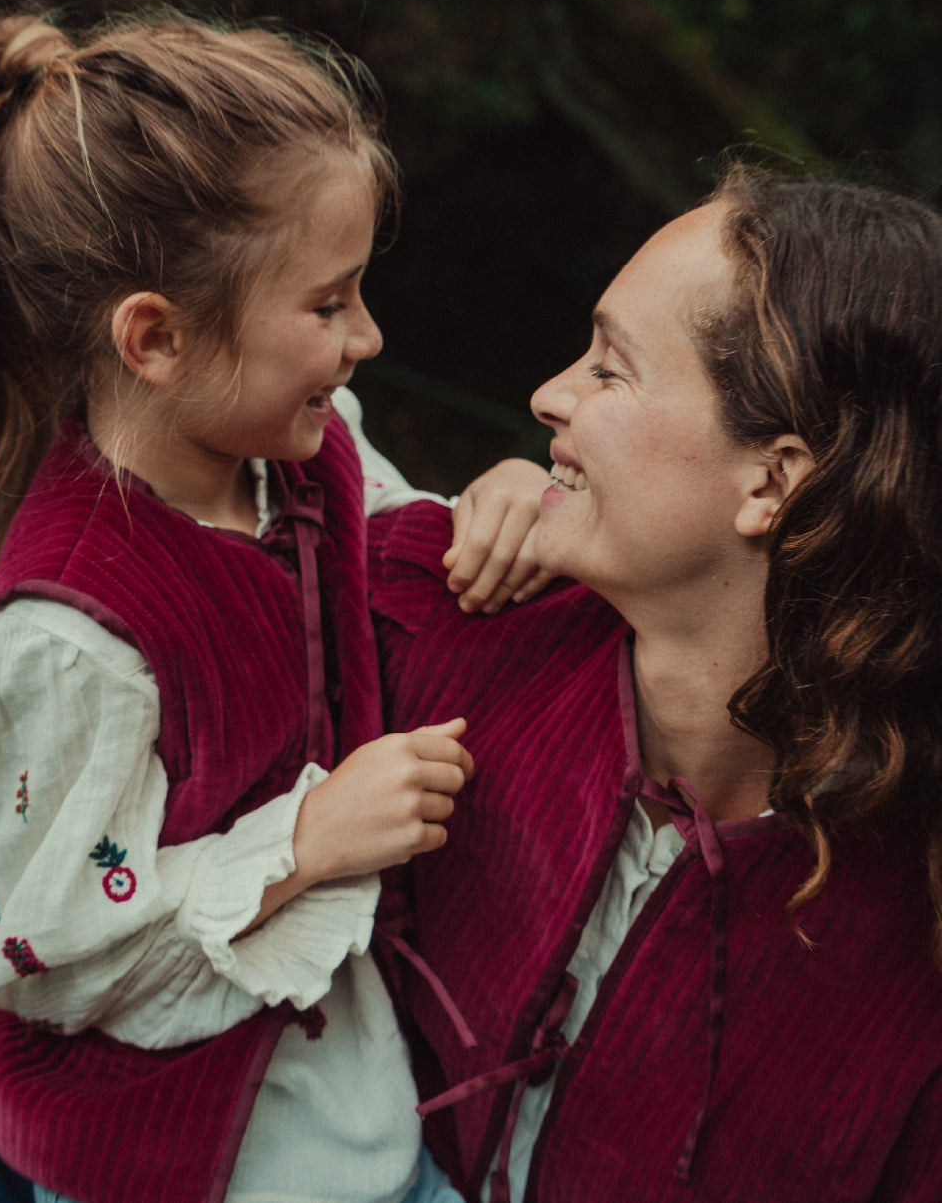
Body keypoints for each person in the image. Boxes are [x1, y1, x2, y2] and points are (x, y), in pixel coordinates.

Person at [0, 10, 549, 1203]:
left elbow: (405, 550)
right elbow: (50, 951)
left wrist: (521, 504)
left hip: (353, 1115)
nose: (365, 338)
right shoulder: (69, 637)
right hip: (170, 1163)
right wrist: (307, 842)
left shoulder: (302, 456)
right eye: (327, 305)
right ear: (156, 337)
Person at [367, 168, 942, 1200]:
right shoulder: (440, 613)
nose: (547, 394)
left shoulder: (914, 921)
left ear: (771, 482)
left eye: (610, 370)